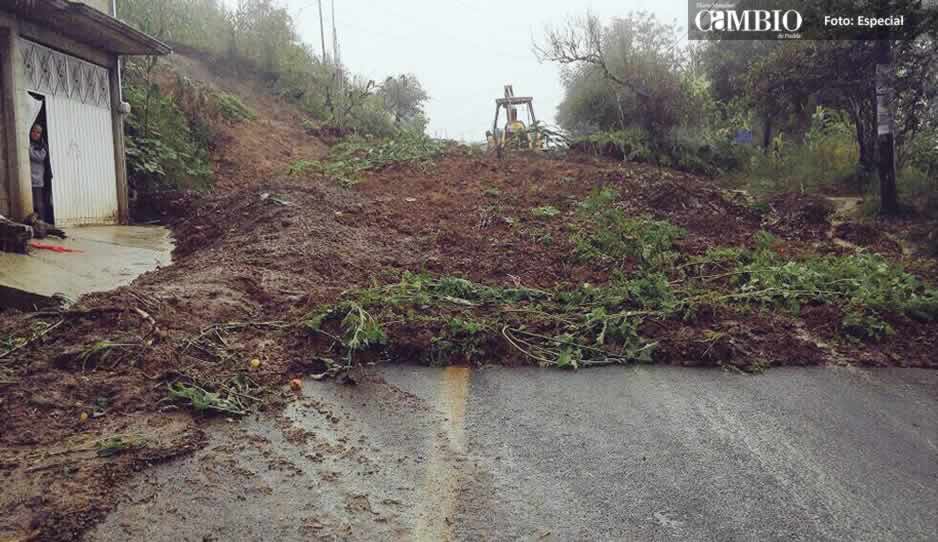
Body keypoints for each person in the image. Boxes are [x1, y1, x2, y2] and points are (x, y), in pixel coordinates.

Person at [28, 123, 51, 221]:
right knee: (30, 203)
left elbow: (40, 157)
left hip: (37, 179)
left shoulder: (42, 146)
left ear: (41, 134)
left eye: (38, 132)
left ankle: (42, 222)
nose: (35, 134)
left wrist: (28, 149)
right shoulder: (30, 143)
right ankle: (33, 222)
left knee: (39, 203)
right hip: (28, 178)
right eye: (33, 131)